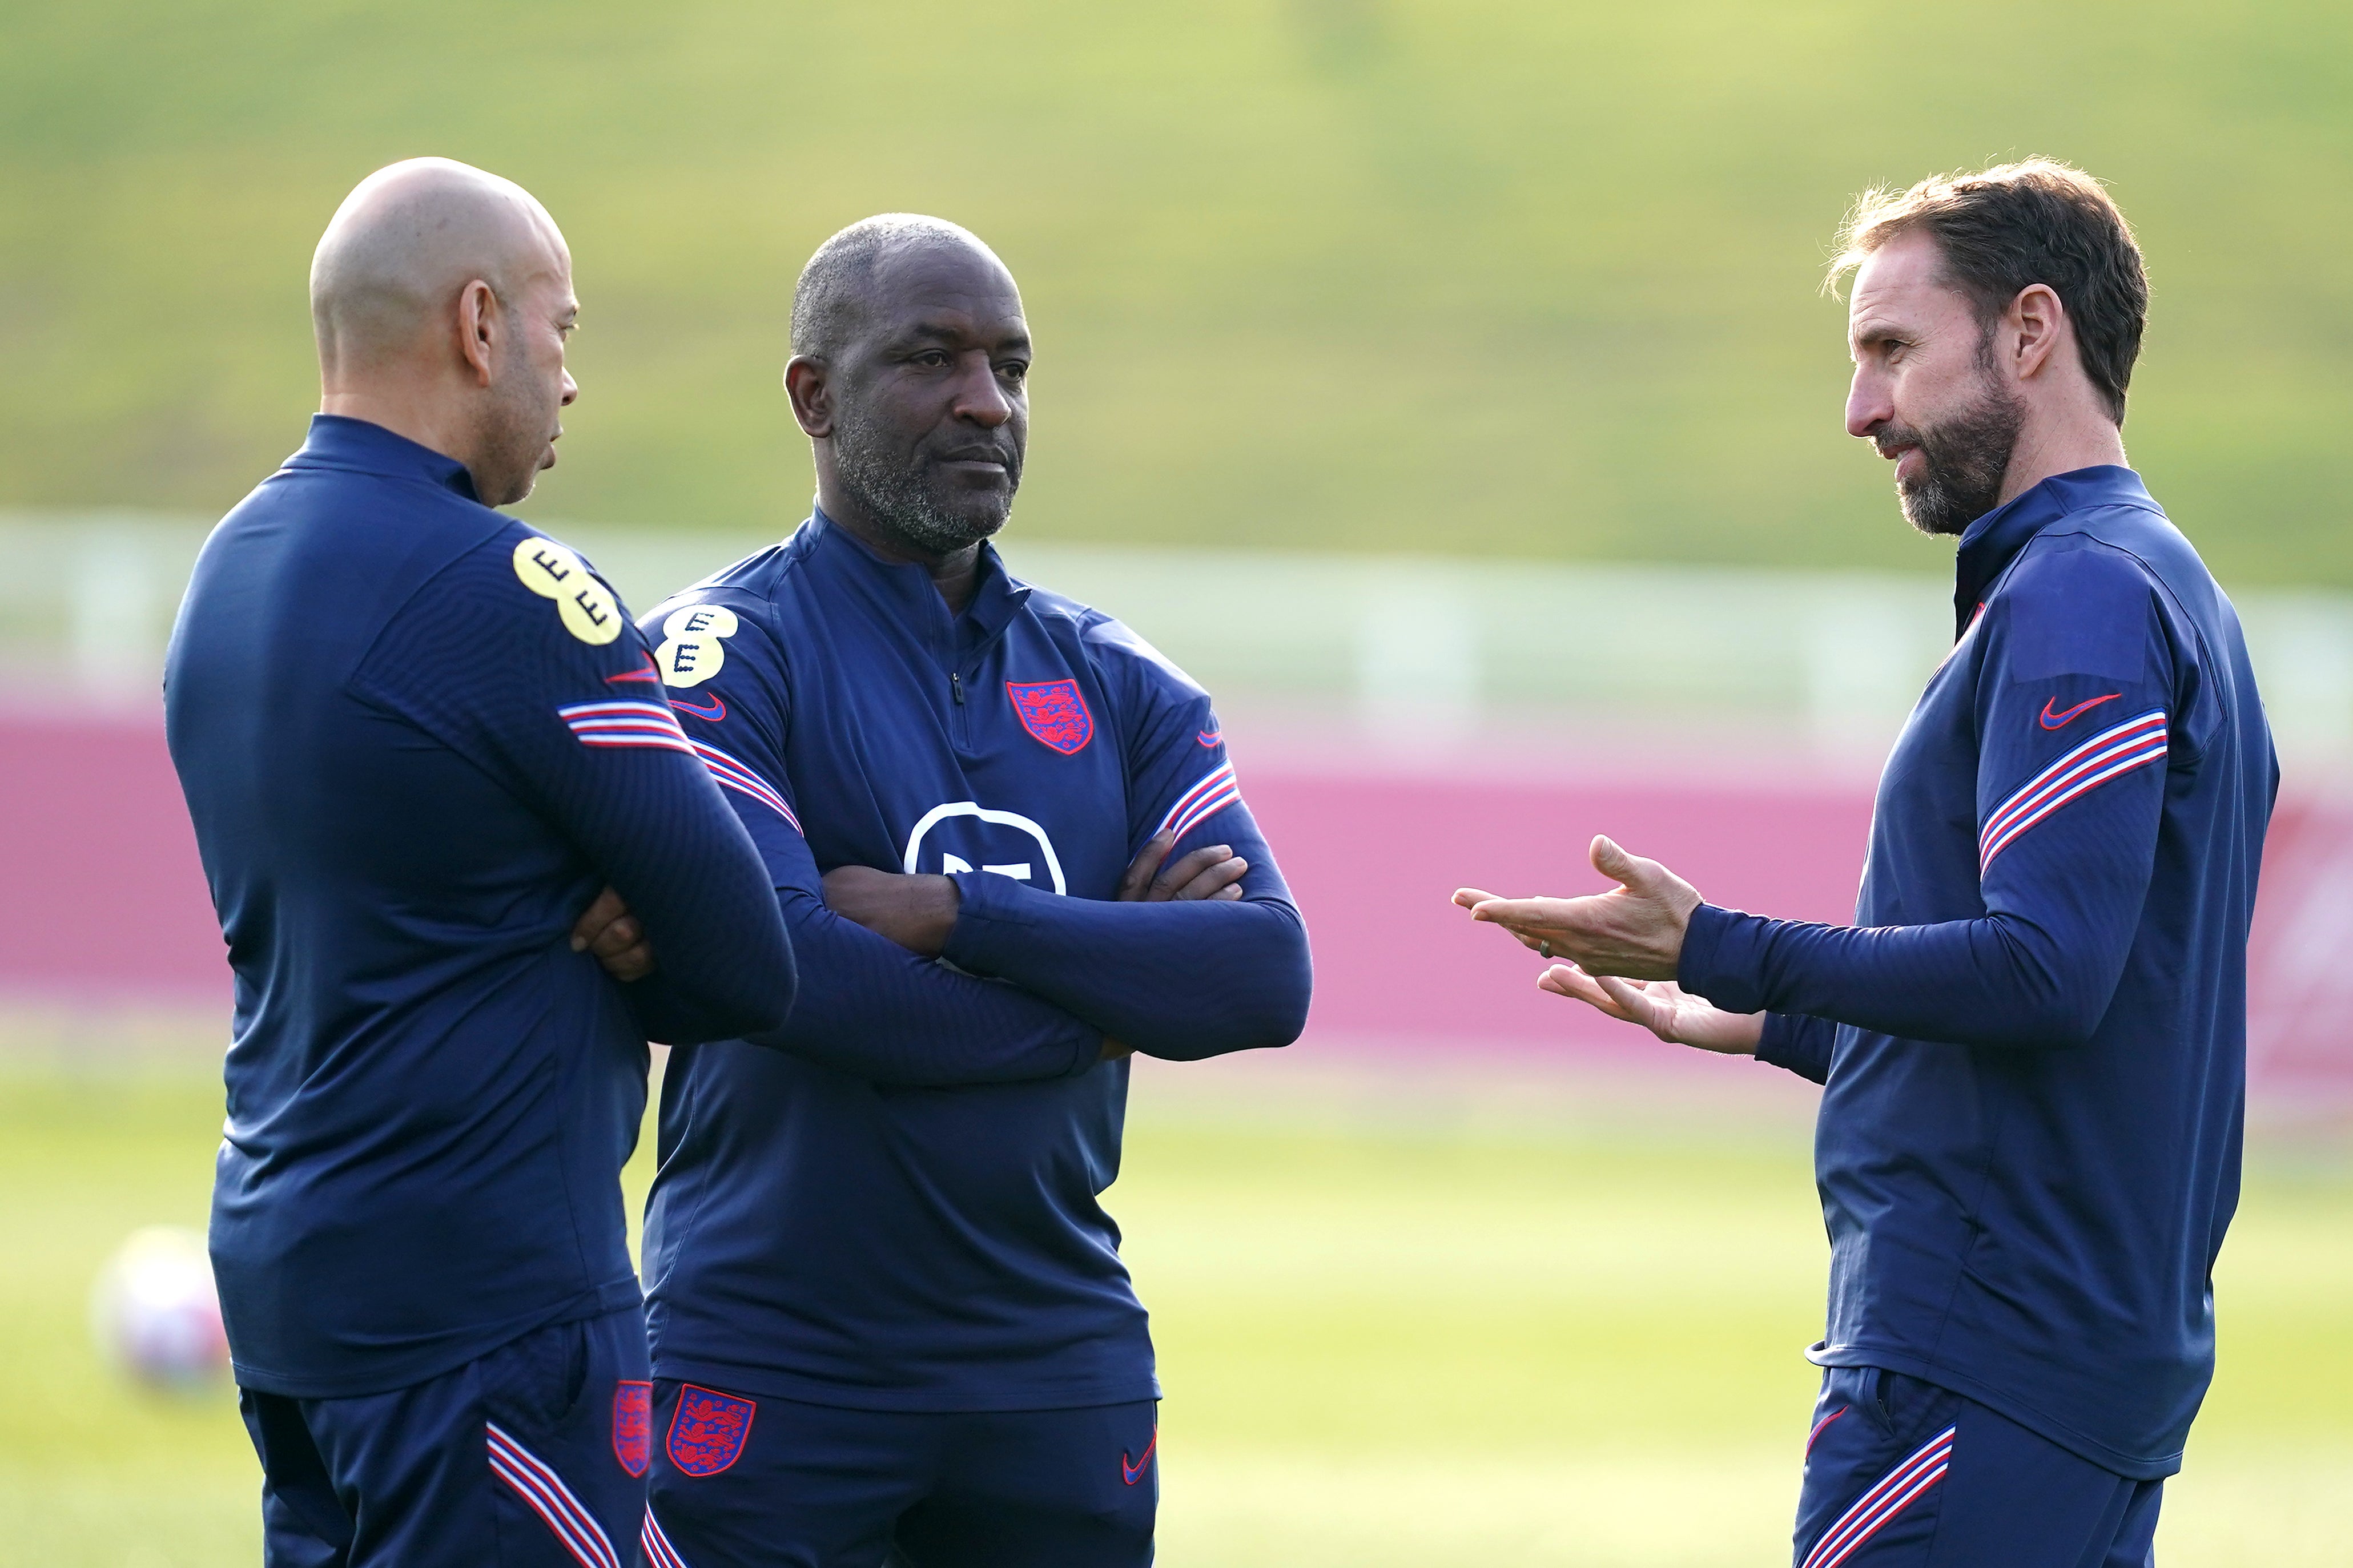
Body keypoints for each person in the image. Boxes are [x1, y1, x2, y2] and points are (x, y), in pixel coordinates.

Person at [1455, 160, 2273, 1566]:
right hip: (2066, 1362)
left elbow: (2045, 975)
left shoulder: (2080, 589)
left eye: (1891, 350)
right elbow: (2075, 1016)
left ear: (2031, 333)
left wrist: (1715, 941)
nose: (1861, 411)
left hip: (1984, 1357)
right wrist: (1766, 1023)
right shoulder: (2159, 586)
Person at [629, 214, 1312, 1567]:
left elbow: (1264, 976)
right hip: (772, 1361)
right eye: (931, 359)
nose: (984, 402)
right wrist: (1112, 990)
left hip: (1057, 1370)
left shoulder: (1119, 679)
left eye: (1011, 364)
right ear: (812, 396)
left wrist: (959, 921)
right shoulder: (719, 656)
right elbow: (796, 973)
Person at [164, 158, 797, 1567]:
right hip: (483, 1309)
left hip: (289, 1290)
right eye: (563, 330)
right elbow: (750, 959)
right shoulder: (506, 592)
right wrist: (625, 928)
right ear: (479, 325)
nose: (569, 381)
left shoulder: (228, 568)